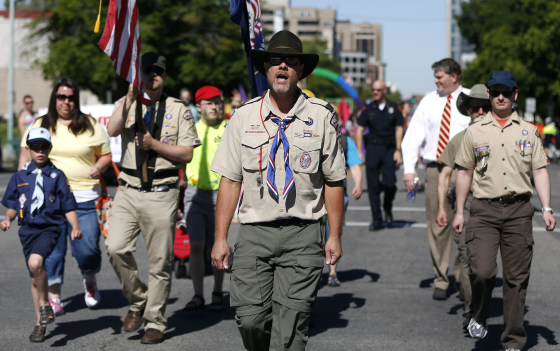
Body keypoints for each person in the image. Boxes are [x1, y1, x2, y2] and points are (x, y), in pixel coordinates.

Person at [210, 30, 346, 350]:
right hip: (255, 232)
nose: (282, 66)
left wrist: (335, 235)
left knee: (291, 329)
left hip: (304, 232)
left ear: (301, 70)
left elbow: (334, 180)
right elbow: (230, 180)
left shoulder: (321, 117)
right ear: (265, 69)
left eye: (291, 61)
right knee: (251, 319)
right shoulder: (243, 117)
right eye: (275, 60)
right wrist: (220, 238)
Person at [452, 71, 556, 351]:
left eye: (506, 92)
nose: (501, 97)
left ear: (515, 95)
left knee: (516, 279)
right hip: (484, 210)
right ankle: (481, 311)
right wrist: (460, 211)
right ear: (489, 94)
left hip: (519, 211)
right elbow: (464, 172)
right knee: (483, 271)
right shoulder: (475, 131)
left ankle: (513, 340)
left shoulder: (529, 130)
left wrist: (546, 208)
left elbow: (540, 171)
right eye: (496, 92)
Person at [105, 51, 200, 344]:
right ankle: (139, 300)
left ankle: (155, 321)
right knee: (115, 246)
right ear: (140, 74)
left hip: (162, 193)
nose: (152, 76)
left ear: (164, 75)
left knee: (160, 263)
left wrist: (153, 144)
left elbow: (186, 153)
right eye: (147, 71)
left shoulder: (179, 109)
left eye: (157, 71)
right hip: (128, 189)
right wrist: (129, 98)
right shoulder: (128, 104)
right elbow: (111, 129)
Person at [19, 78, 112, 315]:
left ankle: (89, 278)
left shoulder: (90, 124)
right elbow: (25, 157)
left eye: (70, 97)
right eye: (61, 97)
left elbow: (105, 155)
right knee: (52, 251)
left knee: (88, 248)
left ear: (76, 100)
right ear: (54, 98)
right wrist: (23, 190)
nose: (66, 102)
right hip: (48, 200)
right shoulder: (41, 124)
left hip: (84, 197)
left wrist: (98, 168)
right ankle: (54, 296)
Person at [2, 127, 82, 343]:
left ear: (49, 149)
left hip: (49, 228)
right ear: (28, 149)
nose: (40, 151)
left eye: (44, 147)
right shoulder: (19, 177)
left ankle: (45, 303)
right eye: (35, 147)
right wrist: (8, 218)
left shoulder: (57, 176)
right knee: (34, 273)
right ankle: (40, 324)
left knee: (36, 264)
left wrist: (74, 226)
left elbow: (67, 206)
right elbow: (11, 205)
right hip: (27, 230)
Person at [401, 58, 471, 301]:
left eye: (440, 76)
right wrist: (409, 169)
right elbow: (412, 137)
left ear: (454, 76)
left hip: (466, 170)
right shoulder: (429, 102)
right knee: (438, 225)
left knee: (466, 225)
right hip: (435, 168)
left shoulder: (472, 99)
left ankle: (464, 280)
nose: (436, 81)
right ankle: (441, 279)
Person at [435, 83, 490, 331]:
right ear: (468, 110)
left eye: (484, 107)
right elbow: (444, 175)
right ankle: (472, 310)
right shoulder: (458, 140)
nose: (479, 111)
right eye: (475, 107)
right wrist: (441, 209)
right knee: (468, 262)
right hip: (465, 209)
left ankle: (481, 305)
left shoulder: (501, 137)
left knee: (486, 268)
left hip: (496, 209)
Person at [181, 85, 226, 312]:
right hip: (195, 194)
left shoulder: (228, 128)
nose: (214, 106)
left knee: (217, 246)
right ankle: (198, 294)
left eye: (217, 102)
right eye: (209, 103)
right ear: (198, 107)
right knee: (196, 246)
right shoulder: (190, 129)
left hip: (221, 195)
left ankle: (217, 291)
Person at [356, 80, 404, 230]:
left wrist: (398, 150)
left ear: (384, 91)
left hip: (389, 149)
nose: (375, 92)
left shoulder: (394, 108)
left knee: (390, 184)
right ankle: (376, 219)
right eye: (373, 89)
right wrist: (359, 151)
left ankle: (387, 208)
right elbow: (359, 129)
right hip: (373, 149)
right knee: (373, 186)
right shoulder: (368, 108)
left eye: (378, 90)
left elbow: (399, 129)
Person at [326, 130, 363, 286]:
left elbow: (354, 166)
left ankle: (332, 272)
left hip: (338, 196)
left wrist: (358, 184)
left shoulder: (346, 141)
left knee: (333, 232)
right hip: (311, 197)